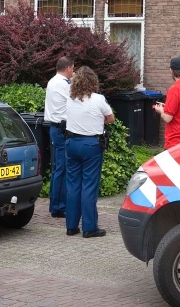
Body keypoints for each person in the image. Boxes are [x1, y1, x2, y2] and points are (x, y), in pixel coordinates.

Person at [65, 66, 114, 238]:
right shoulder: (98, 99)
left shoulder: (70, 99)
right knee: (89, 186)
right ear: (93, 81)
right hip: (91, 145)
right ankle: (89, 227)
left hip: (71, 143)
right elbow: (110, 118)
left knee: (72, 185)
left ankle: (71, 226)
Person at [44, 55, 74, 218]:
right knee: (61, 168)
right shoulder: (64, 84)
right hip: (62, 130)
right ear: (68, 67)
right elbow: (78, 98)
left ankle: (56, 204)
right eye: (73, 69)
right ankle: (58, 207)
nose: (73, 72)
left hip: (55, 129)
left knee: (58, 168)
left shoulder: (52, 81)